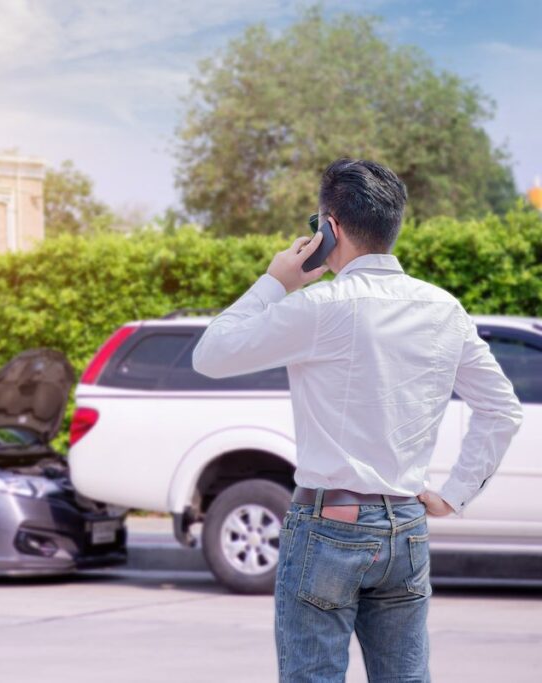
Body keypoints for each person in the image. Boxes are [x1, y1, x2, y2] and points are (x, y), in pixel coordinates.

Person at [191, 158, 523, 682]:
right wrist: (456, 492)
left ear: (330, 228)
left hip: (328, 526)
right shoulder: (443, 308)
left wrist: (275, 281)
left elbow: (210, 354)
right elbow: (501, 407)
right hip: (406, 527)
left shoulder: (322, 306)